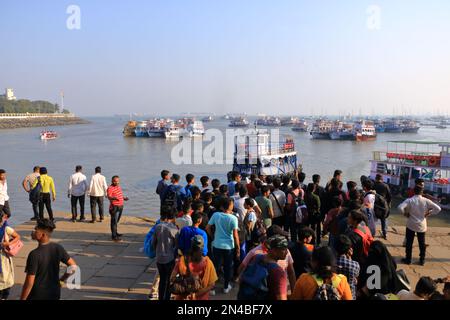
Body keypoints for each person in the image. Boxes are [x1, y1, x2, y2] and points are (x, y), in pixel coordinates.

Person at [21, 219, 77, 300]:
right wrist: (61, 280)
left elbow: (29, 283)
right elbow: (73, 266)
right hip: (54, 292)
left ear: (43, 235)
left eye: (36, 229)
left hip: (38, 295)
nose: (33, 231)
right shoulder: (57, 248)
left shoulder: (34, 254)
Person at [239, 225, 296, 292]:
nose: (283, 238)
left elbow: (291, 272)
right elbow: (240, 270)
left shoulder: (285, 252)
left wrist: (294, 292)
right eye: (281, 237)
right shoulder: (254, 253)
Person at [398, 185, 441, 265]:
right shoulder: (426, 200)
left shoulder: (410, 200)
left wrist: (405, 214)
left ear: (414, 191)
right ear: (422, 192)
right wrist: (429, 213)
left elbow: (400, 207)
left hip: (411, 224)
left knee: (409, 243)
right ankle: (422, 260)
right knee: (422, 243)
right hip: (421, 225)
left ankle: (408, 259)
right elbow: (438, 209)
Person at [239, 235, 290, 300]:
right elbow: (282, 298)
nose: (287, 252)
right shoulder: (278, 272)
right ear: (274, 251)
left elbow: (241, 276)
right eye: (284, 249)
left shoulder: (256, 257)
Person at [206, 197, 240, 294]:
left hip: (217, 245)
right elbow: (235, 235)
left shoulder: (216, 215)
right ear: (229, 207)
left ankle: (212, 288)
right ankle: (226, 287)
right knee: (228, 266)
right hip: (229, 246)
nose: (233, 205)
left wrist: (213, 237)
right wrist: (237, 248)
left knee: (216, 266)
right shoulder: (233, 218)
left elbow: (208, 227)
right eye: (232, 204)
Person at [170, 235, 218, 300]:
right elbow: (212, 284)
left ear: (191, 247)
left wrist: (185, 281)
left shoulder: (182, 260)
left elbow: (172, 278)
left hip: (183, 297)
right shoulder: (208, 263)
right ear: (203, 247)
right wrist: (195, 295)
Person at [152, 206, 179, 301]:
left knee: (162, 280)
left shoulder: (158, 227)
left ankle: (160, 297)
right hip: (169, 258)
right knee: (168, 280)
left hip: (159, 258)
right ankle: (166, 297)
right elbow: (176, 244)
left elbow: (153, 243)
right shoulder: (174, 229)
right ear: (173, 217)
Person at [0, 212, 21, 300]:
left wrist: (8, 243)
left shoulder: (6, 228)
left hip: (3, 256)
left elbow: (17, 237)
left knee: (6, 276)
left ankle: (4, 296)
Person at [334, 234, 360, 300]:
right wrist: (350, 257)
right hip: (350, 295)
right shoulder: (355, 265)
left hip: (334, 295)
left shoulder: (331, 263)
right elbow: (356, 279)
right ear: (349, 249)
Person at [107, 175, 129, 242]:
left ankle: (116, 233)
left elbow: (120, 195)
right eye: (115, 181)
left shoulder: (118, 187)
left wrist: (124, 198)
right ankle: (114, 237)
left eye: (118, 181)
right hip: (114, 207)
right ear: (112, 181)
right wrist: (114, 198)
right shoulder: (110, 188)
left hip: (120, 206)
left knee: (116, 221)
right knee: (114, 222)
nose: (117, 182)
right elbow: (109, 196)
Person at [373, 174, 392, 239]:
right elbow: (389, 196)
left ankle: (372, 232)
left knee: (373, 219)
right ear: (382, 179)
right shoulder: (385, 185)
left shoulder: (373, 185)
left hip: (375, 205)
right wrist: (388, 204)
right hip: (383, 205)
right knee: (383, 219)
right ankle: (384, 233)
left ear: (376, 178)